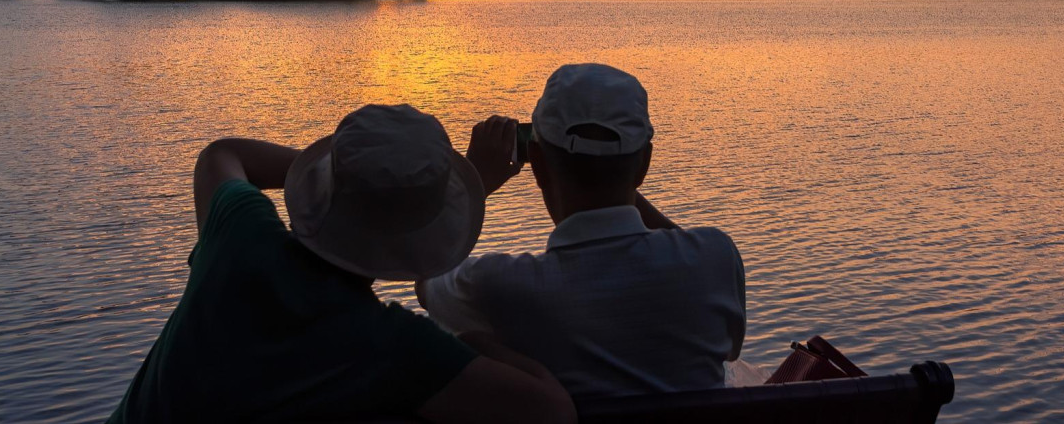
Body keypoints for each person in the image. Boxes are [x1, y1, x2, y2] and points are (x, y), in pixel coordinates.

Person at [108, 104, 575, 424]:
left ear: (320, 187)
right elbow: (553, 410)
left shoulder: (239, 236)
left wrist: (350, 182)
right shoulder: (390, 345)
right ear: (423, 239)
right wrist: (468, 342)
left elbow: (222, 154)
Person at [420, 64, 747, 399]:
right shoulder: (715, 259)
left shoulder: (496, 286)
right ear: (645, 163)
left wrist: (473, 182)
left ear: (537, 162)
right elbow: (731, 351)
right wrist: (619, 176)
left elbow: (427, 279)